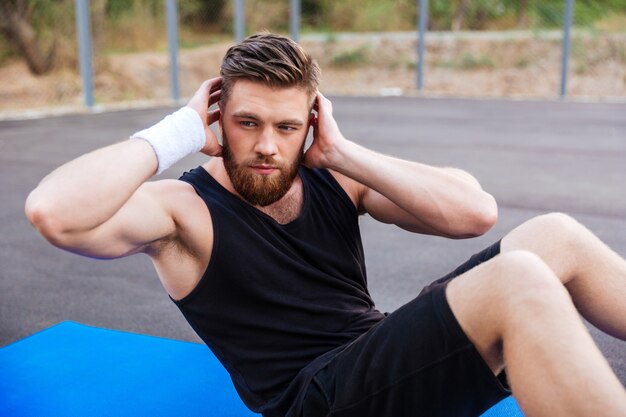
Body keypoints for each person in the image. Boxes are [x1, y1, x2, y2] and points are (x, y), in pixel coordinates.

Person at [25, 33, 625, 417]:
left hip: (378, 361)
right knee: (516, 279)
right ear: (216, 118)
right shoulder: (183, 213)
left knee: (555, 236)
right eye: (247, 122)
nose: (266, 145)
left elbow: (475, 213)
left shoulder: (335, 177)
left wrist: (341, 154)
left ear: (311, 124)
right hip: (314, 401)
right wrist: (173, 135)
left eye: (286, 127)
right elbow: (54, 212)